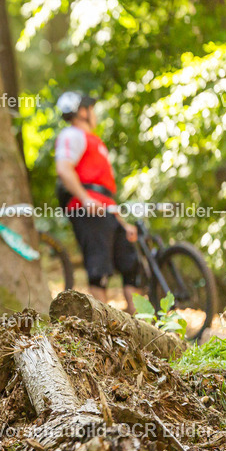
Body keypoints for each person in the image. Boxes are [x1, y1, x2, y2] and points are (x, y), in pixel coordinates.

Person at [54, 91, 139, 311]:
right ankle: (106, 329)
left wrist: (122, 222)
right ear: (82, 112)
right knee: (99, 268)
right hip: (88, 211)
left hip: (107, 209)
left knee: (131, 265)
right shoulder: (72, 135)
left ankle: (138, 323)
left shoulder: (95, 142)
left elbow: (106, 191)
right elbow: (64, 169)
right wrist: (85, 199)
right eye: (90, 108)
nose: (94, 112)